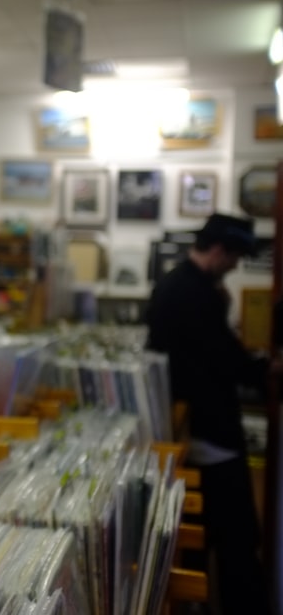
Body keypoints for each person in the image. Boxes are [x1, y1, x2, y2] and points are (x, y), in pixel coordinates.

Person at [145, 212, 271, 614]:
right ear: (218, 251)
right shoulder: (196, 293)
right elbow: (222, 360)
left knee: (199, 531)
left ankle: (197, 603)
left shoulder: (175, 284)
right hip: (210, 432)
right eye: (234, 258)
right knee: (236, 537)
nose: (235, 267)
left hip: (188, 427)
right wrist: (264, 371)